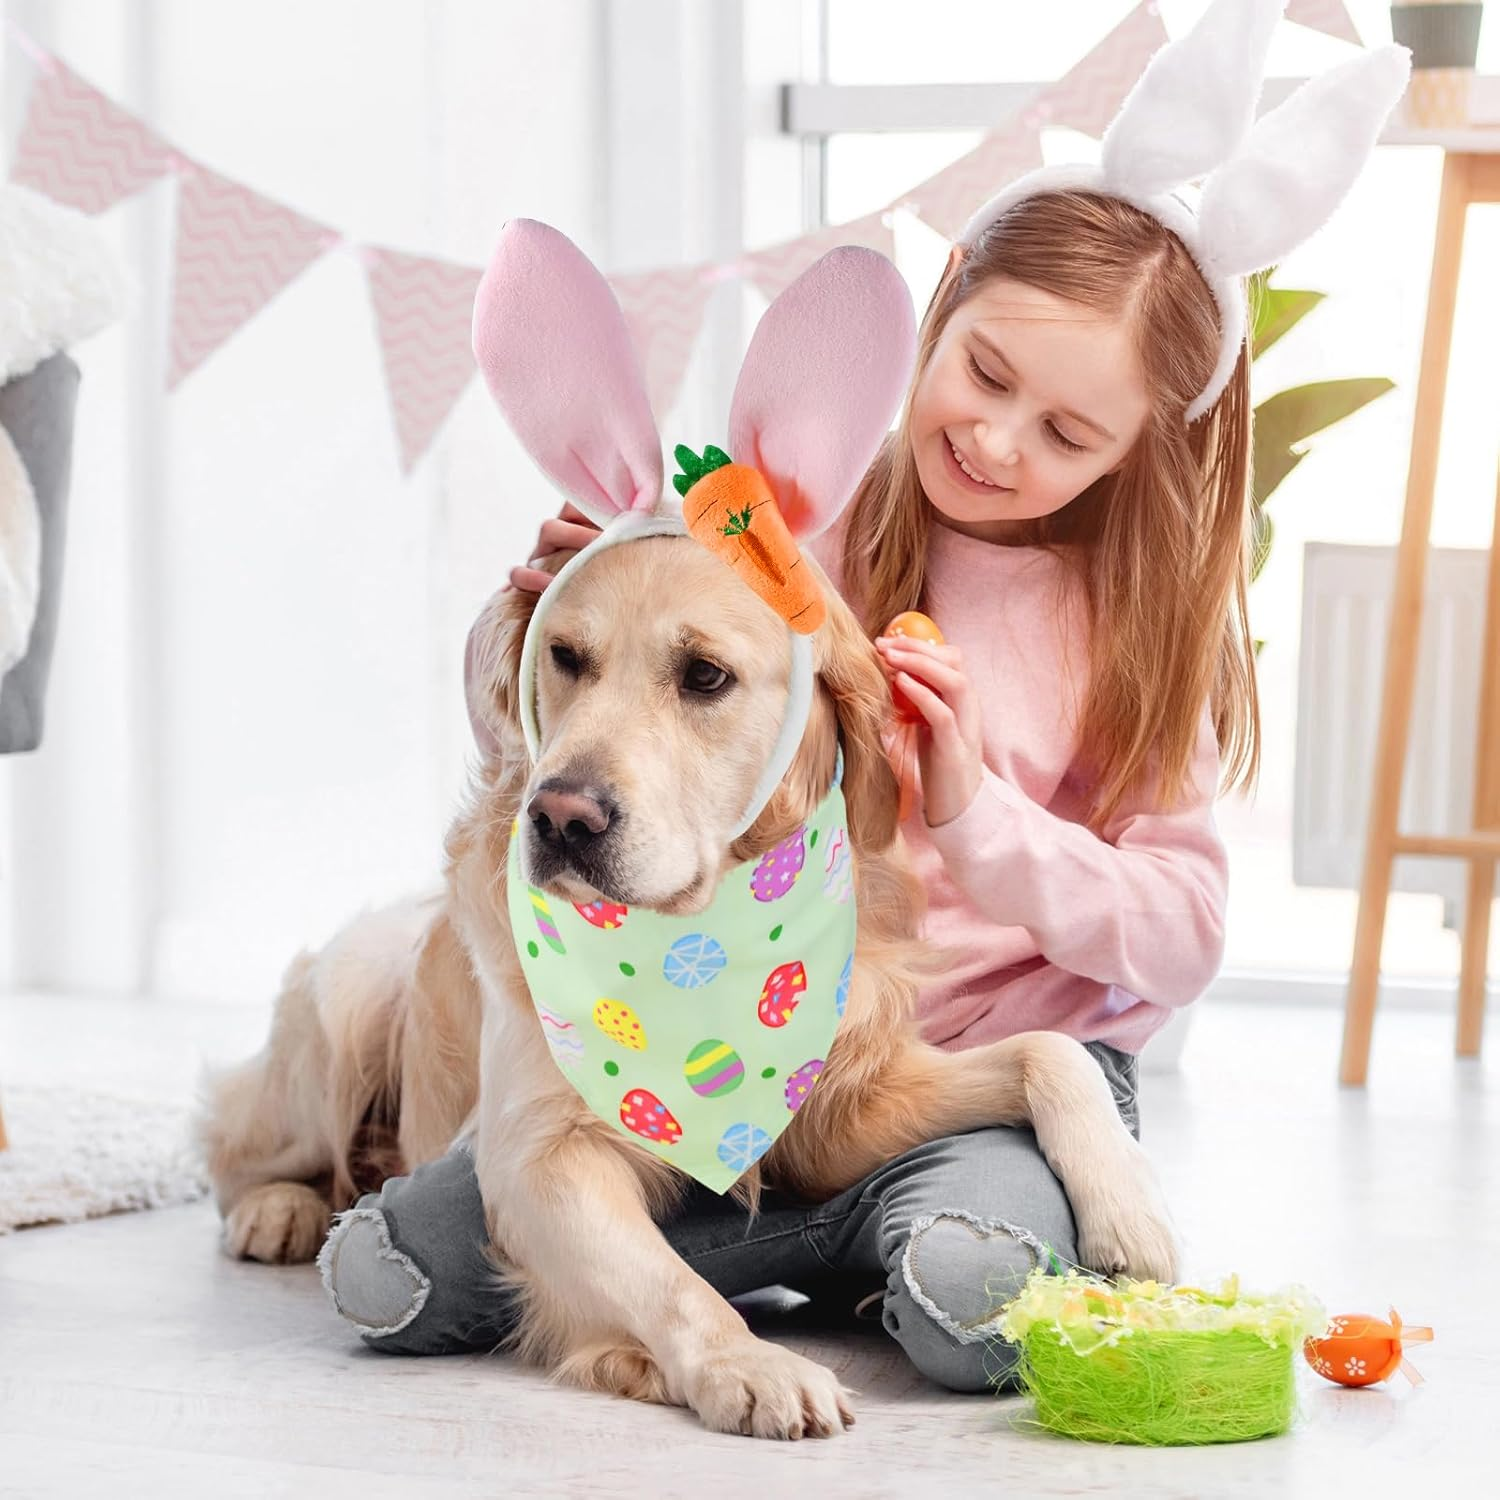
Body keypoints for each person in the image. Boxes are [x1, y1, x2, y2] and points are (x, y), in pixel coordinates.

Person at [319, 2, 1407, 1392]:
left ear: (1143, 448)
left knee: (970, 1297)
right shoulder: (782, 531)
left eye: (1069, 431)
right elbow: (572, 721)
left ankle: (863, 1253)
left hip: (965, 1092)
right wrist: (543, 614)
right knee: (392, 1272)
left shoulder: (1135, 640)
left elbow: (1185, 939)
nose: (997, 439)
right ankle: (794, 1261)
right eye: (985, 372)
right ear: (942, 298)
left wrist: (974, 812)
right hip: (719, 1063)